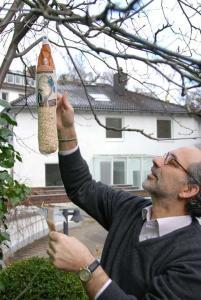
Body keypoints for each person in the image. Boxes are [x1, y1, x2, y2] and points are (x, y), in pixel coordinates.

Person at [47, 92, 201, 300]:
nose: (157, 160)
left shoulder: (194, 258)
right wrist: (66, 129)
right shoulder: (129, 209)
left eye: (171, 162)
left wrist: (88, 267)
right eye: (165, 155)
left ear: (189, 190)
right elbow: (82, 186)